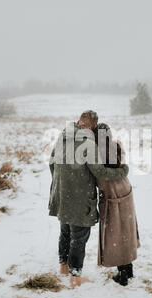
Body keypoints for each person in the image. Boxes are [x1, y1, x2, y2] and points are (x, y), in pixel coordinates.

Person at [49, 110, 129, 288]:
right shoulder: (88, 143)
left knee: (65, 231)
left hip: (62, 194)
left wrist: (61, 182)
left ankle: (63, 267)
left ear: (78, 121)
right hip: (80, 197)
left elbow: (51, 162)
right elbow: (99, 171)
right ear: (92, 127)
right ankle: (75, 277)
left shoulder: (62, 136)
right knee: (79, 236)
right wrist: (123, 171)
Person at [94, 123, 140, 286]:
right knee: (126, 230)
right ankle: (129, 268)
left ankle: (123, 273)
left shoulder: (96, 153)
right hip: (125, 189)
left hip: (111, 193)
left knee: (116, 234)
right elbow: (123, 166)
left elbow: (98, 174)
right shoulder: (116, 146)